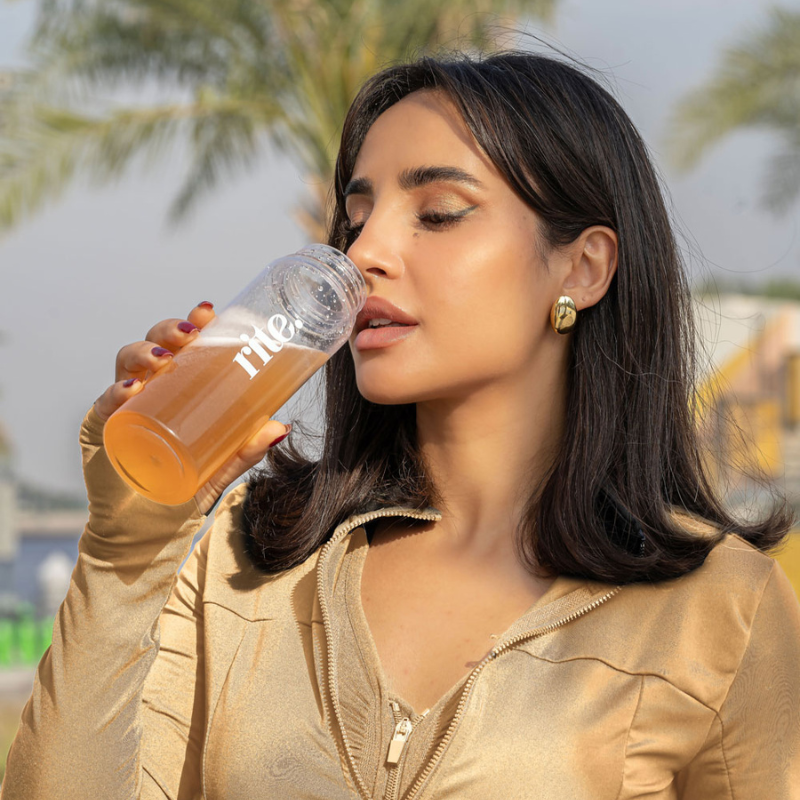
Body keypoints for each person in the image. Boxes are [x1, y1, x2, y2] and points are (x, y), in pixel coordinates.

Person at [3, 50, 800, 800]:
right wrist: (127, 546)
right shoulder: (249, 557)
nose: (366, 253)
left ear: (582, 268)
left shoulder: (719, 606)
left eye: (440, 213)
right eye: (356, 218)